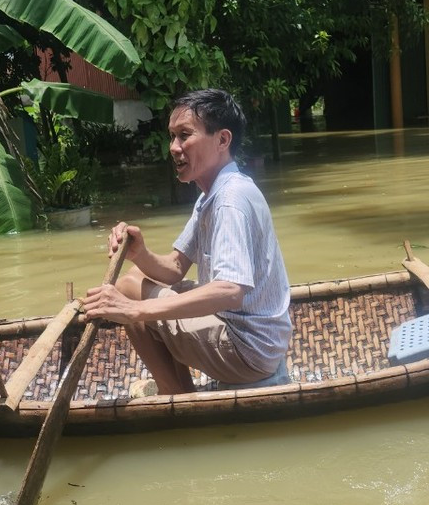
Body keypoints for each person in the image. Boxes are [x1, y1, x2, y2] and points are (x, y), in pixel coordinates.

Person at [81, 89, 292, 395]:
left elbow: (230, 291)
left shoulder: (229, 200)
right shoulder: (212, 193)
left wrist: (134, 310)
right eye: (172, 137)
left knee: (129, 290)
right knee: (137, 278)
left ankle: (174, 393)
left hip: (248, 349)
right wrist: (140, 253)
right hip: (251, 340)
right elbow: (175, 267)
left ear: (222, 140)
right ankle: (179, 389)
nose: (174, 148)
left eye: (184, 136)